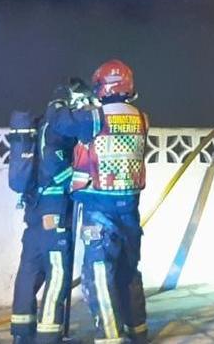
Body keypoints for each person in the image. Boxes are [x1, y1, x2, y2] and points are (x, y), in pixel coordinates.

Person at [62, 59, 149, 344]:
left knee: (99, 274)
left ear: (102, 86)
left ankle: (111, 338)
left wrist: (67, 102)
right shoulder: (142, 118)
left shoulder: (94, 117)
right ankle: (138, 331)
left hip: (99, 208)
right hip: (129, 208)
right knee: (128, 271)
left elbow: (63, 125)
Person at [6, 80, 92, 344]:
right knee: (57, 275)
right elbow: (56, 169)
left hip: (34, 211)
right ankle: (48, 334)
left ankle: (22, 333)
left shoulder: (42, 124)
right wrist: (81, 178)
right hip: (54, 213)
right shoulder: (59, 129)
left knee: (29, 271)